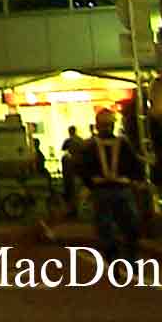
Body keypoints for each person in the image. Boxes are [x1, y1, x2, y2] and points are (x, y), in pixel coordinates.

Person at [84, 108, 144, 255]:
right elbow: (136, 165)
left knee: (108, 227)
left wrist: (90, 184)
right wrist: (135, 180)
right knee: (128, 225)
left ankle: (115, 255)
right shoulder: (123, 144)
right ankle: (127, 256)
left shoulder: (91, 146)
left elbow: (82, 168)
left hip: (104, 190)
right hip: (118, 189)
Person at [60, 124, 91, 217]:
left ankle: (74, 210)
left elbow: (63, 149)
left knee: (72, 190)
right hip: (81, 168)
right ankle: (78, 210)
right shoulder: (81, 140)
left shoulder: (68, 141)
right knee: (79, 190)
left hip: (72, 169)